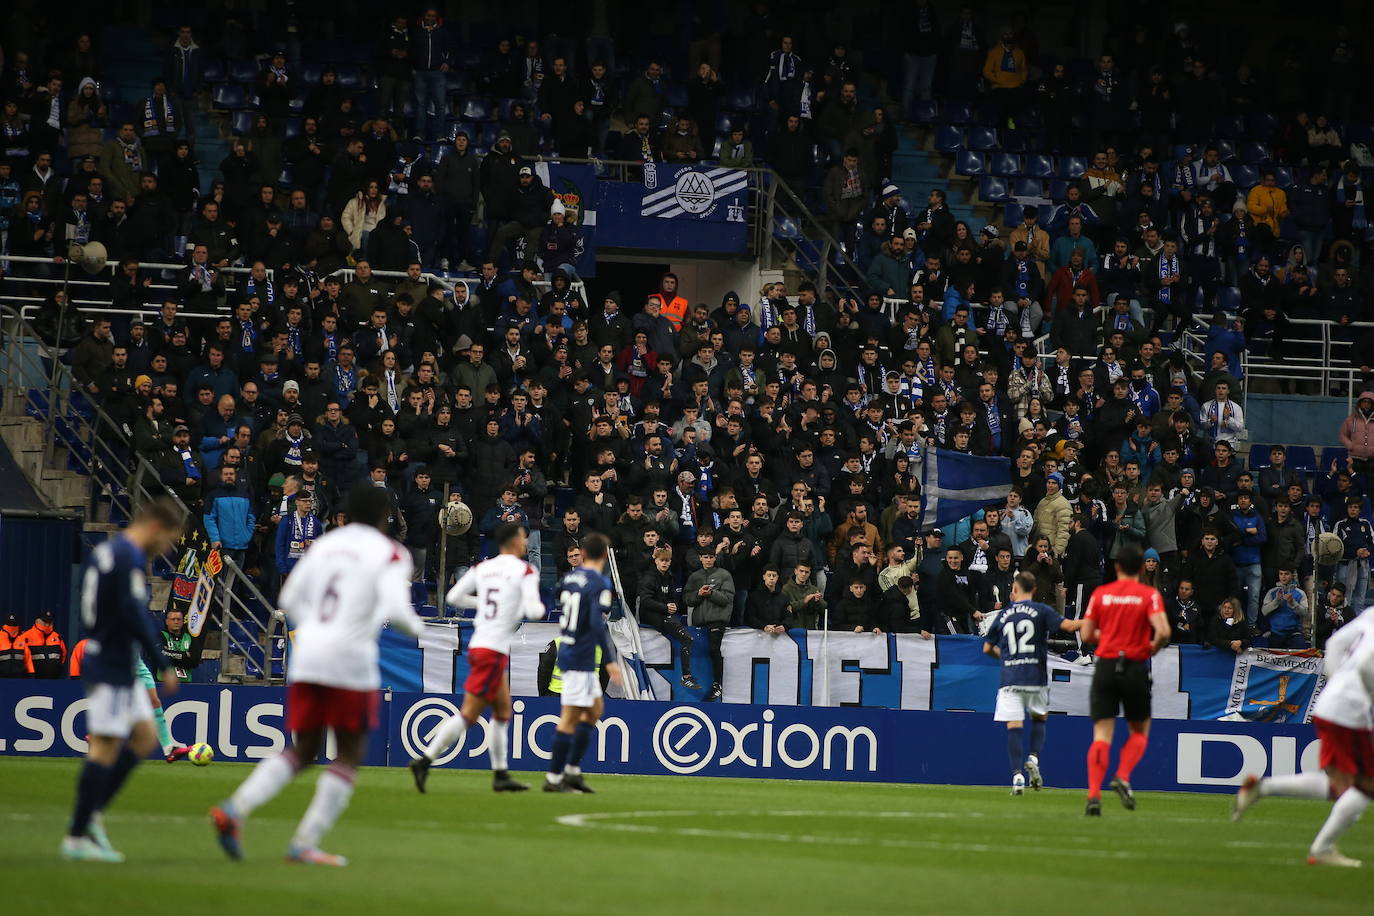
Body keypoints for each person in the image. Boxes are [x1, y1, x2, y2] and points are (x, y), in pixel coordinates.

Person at [211, 484, 425, 866]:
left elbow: (290, 599)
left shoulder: (324, 545)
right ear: (383, 518)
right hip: (350, 660)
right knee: (348, 754)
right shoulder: (391, 552)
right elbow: (399, 612)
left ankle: (235, 808)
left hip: (309, 655)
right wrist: (420, 630)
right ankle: (303, 843)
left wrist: (318, 633)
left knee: (303, 749)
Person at [62, 497, 183, 863]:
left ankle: (91, 814)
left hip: (116, 660)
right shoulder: (128, 558)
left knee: (145, 738)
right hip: (112, 662)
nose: (164, 550)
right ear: (156, 528)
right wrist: (162, 662)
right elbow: (133, 614)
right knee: (105, 747)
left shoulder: (106, 553)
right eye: (167, 542)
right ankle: (78, 832)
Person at [408, 522, 546, 792]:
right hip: (492, 650)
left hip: (481, 645)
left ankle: (500, 774)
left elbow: (454, 596)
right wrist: (533, 605)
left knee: (503, 711)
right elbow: (536, 610)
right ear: (515, 541)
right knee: (469, 715)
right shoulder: (525, 570)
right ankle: (424, 760)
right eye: (523, 538)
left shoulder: (483, 568)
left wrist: (481, 603)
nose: (525, 543)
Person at [1232, 607, 1374, 866]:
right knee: (1365, 785)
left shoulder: (1371, 614)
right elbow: (1366, 666)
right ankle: (1323, 847)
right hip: (1350, 709)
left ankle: (1263, 788)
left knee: (1342, 784)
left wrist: (1337, 682)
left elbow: (1334, 643)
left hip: (1334, 702)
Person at [1079, 544, 1171, 816]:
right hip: (1134, 666)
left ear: (1117, 567)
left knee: (1102, 735)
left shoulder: (1101, 593)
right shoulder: (1148, 594)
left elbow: (1086, 634)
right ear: (1142, 568)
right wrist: (1151, 647)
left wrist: (1105, 640)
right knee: (1140, 730)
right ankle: (1122, 774)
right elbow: (1164, 631)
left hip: (1106, 665)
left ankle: (1094, 795)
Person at [983, 572, 1082, 795]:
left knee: (1014, 727)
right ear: (1034, 590)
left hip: (1011, 677)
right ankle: (1034, 758)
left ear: (1015, 590)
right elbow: (1068, 626)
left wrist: (1006, 657)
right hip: (1035, 677)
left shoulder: (1005, 613)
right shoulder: (1041, 610)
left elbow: (987, 648)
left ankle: (1017, 775)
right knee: (1039, 719)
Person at [545, 533, 623, 793]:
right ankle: (555, 778)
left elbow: (557, 592)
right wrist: (610, 660)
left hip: (574, 652)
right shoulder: (599, 582)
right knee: (570, 718)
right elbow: (595, 622)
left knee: (594, 709)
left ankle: (571, 771)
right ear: (604, 556)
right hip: (579, 656)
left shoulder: (569, 578)